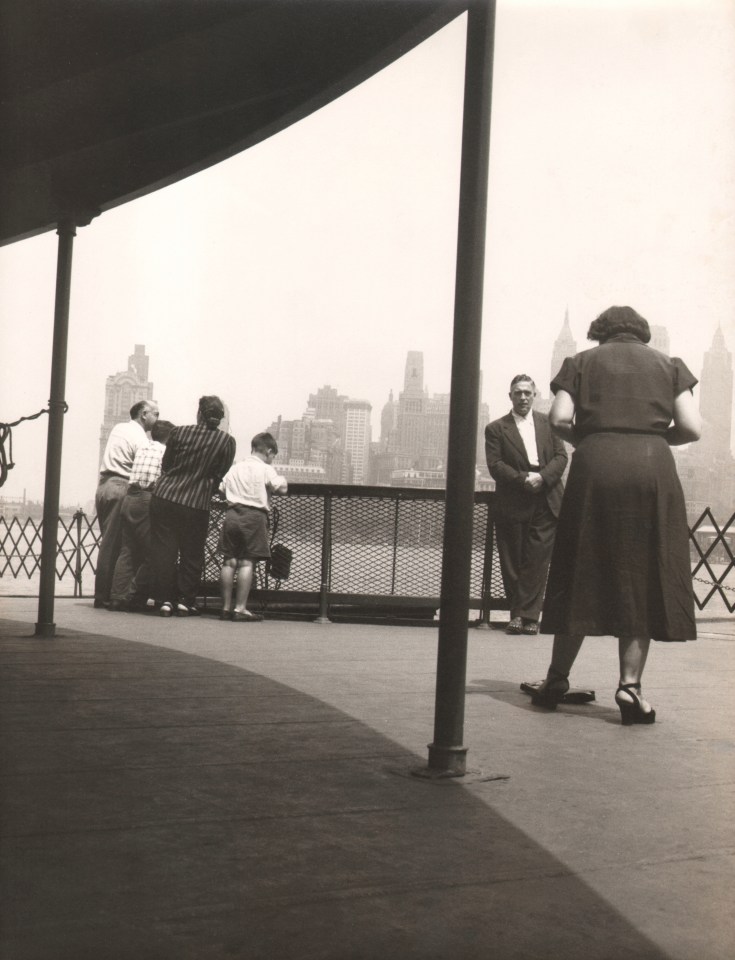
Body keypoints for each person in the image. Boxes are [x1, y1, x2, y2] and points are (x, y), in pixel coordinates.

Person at [527, 305, 701, 724]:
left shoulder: (581, 362)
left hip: (595, 464)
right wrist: (652, 436)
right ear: (642, 334)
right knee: (642, 573)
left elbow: (558, 418)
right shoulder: (670, 365)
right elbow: (692, 429)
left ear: (599, 333)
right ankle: (629, 688)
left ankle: (555, 681)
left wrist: (593, 435)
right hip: (651, 464)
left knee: (578, 569)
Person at [485, 375, 568, 635]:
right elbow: (495, 465)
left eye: (527, 393)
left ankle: (527, 617)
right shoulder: (496, 428)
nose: (523, 397)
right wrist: (523, 480)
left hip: (547, 496)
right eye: (518, 393)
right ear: (510, 396)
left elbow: (561, 456)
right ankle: (519, 615)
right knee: (513, 560)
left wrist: (542, 478)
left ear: (535, 395)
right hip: (514, 498)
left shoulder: (549, 423)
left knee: (537, 559)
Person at [150, 396, 236, 617]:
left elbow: (167, 464)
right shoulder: (226, 441)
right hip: (196, 503)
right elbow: (219, 474)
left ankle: (164, 600)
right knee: (192, 553)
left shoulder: (178, 432)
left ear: (199, 413)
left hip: (165, 497)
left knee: (164, 551)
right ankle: (185, 602)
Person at [94, 399, 159, 607]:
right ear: (144, 414)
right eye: (155, 414)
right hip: (122, 486)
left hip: (104, 486)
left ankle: (104, 594)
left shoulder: (118, 428)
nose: (157, 419)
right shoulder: (141, 438)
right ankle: (107, 595)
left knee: (107, 540)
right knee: (116, 545)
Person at [218, 432, 288, 622]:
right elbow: (281, 488)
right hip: (254, 517)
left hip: (232, 515)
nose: (272, 459)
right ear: (268, 451)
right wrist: (282, 480)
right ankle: (240, 609)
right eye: (273, 456)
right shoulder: (265, 469)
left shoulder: (235, 468)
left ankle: (225, 608)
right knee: (247, 563)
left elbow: (222, 490)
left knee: (229, 562)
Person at [108, 419, 175, 611]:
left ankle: (117, 597)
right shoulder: (165, 452)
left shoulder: (143, 448)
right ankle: (134, 595)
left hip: (130, 498)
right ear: (169, 437)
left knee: (127, 550)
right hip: (147, 498)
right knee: (154, 551)